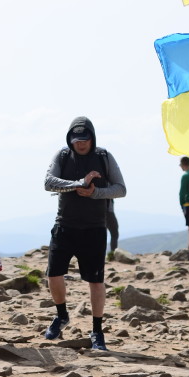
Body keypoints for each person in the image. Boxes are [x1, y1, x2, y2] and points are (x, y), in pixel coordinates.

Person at [42, 116, 126, 351]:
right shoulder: (62, 156)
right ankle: (61, 316)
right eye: (76, 139)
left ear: (92, 137)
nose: (80, 144)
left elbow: (121, 189)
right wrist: (77, 183)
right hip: (64, 225)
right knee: (54, 274)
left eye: (84, 139)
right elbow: (48, 182)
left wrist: (95, 192)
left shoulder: (103, 156)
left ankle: (97, 332)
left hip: (94, 227)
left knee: (96, 281)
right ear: (70, 139)